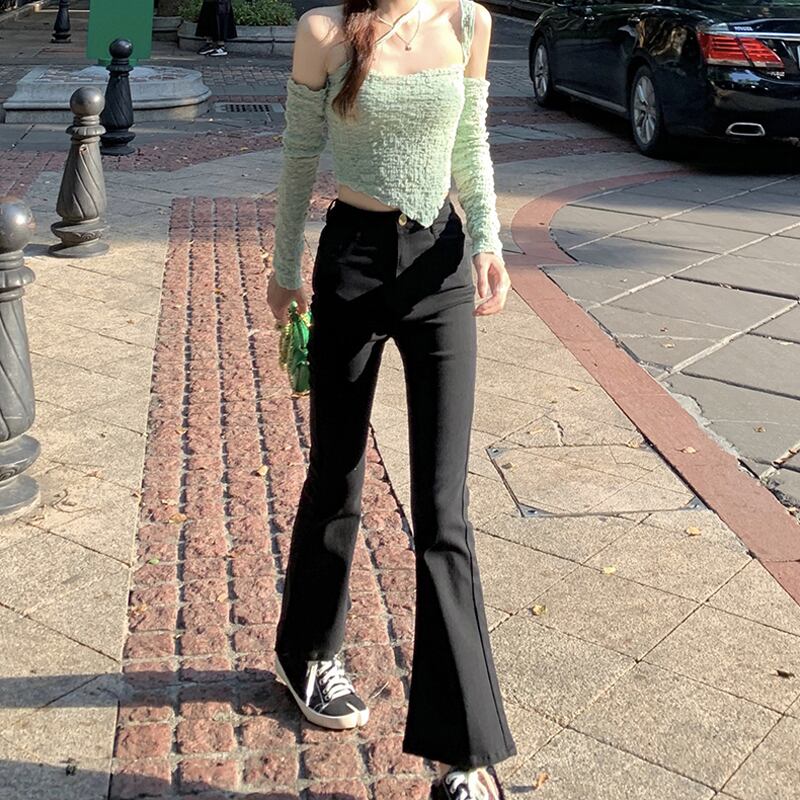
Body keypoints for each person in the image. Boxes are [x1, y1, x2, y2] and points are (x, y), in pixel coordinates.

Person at [267, 1, 516, 797]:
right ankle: (309, 652)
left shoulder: (468, 22)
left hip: (439, 265)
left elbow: (470, 142)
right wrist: (284, 269)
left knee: (444, 511)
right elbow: (298, 154)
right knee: (336, 474)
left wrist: (489, 239)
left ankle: (461, 752)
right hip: (352, 262)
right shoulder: (324, 32)